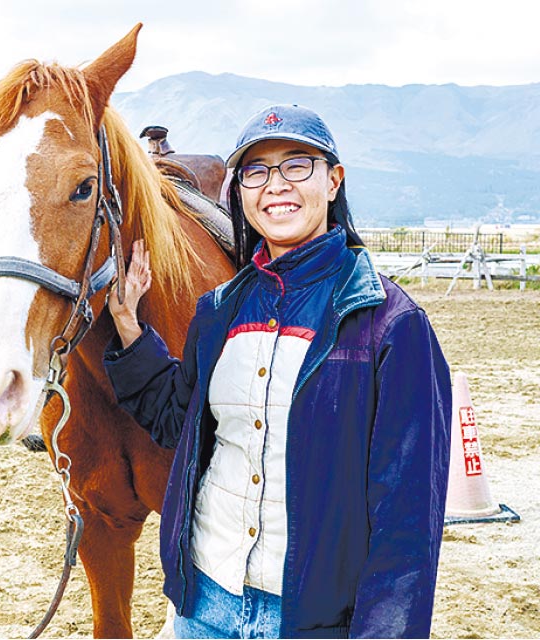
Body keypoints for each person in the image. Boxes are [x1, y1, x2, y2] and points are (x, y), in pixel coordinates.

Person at [105, 104, 451, 638]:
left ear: (333, 181)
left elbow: (406, 522)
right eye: (257, 171)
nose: (276, 185)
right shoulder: (218, 311)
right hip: (205, 608)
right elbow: (178, 420)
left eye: (297, 165)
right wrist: (130, 330)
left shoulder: (391, 324)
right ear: (241, 193)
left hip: (311, 621)